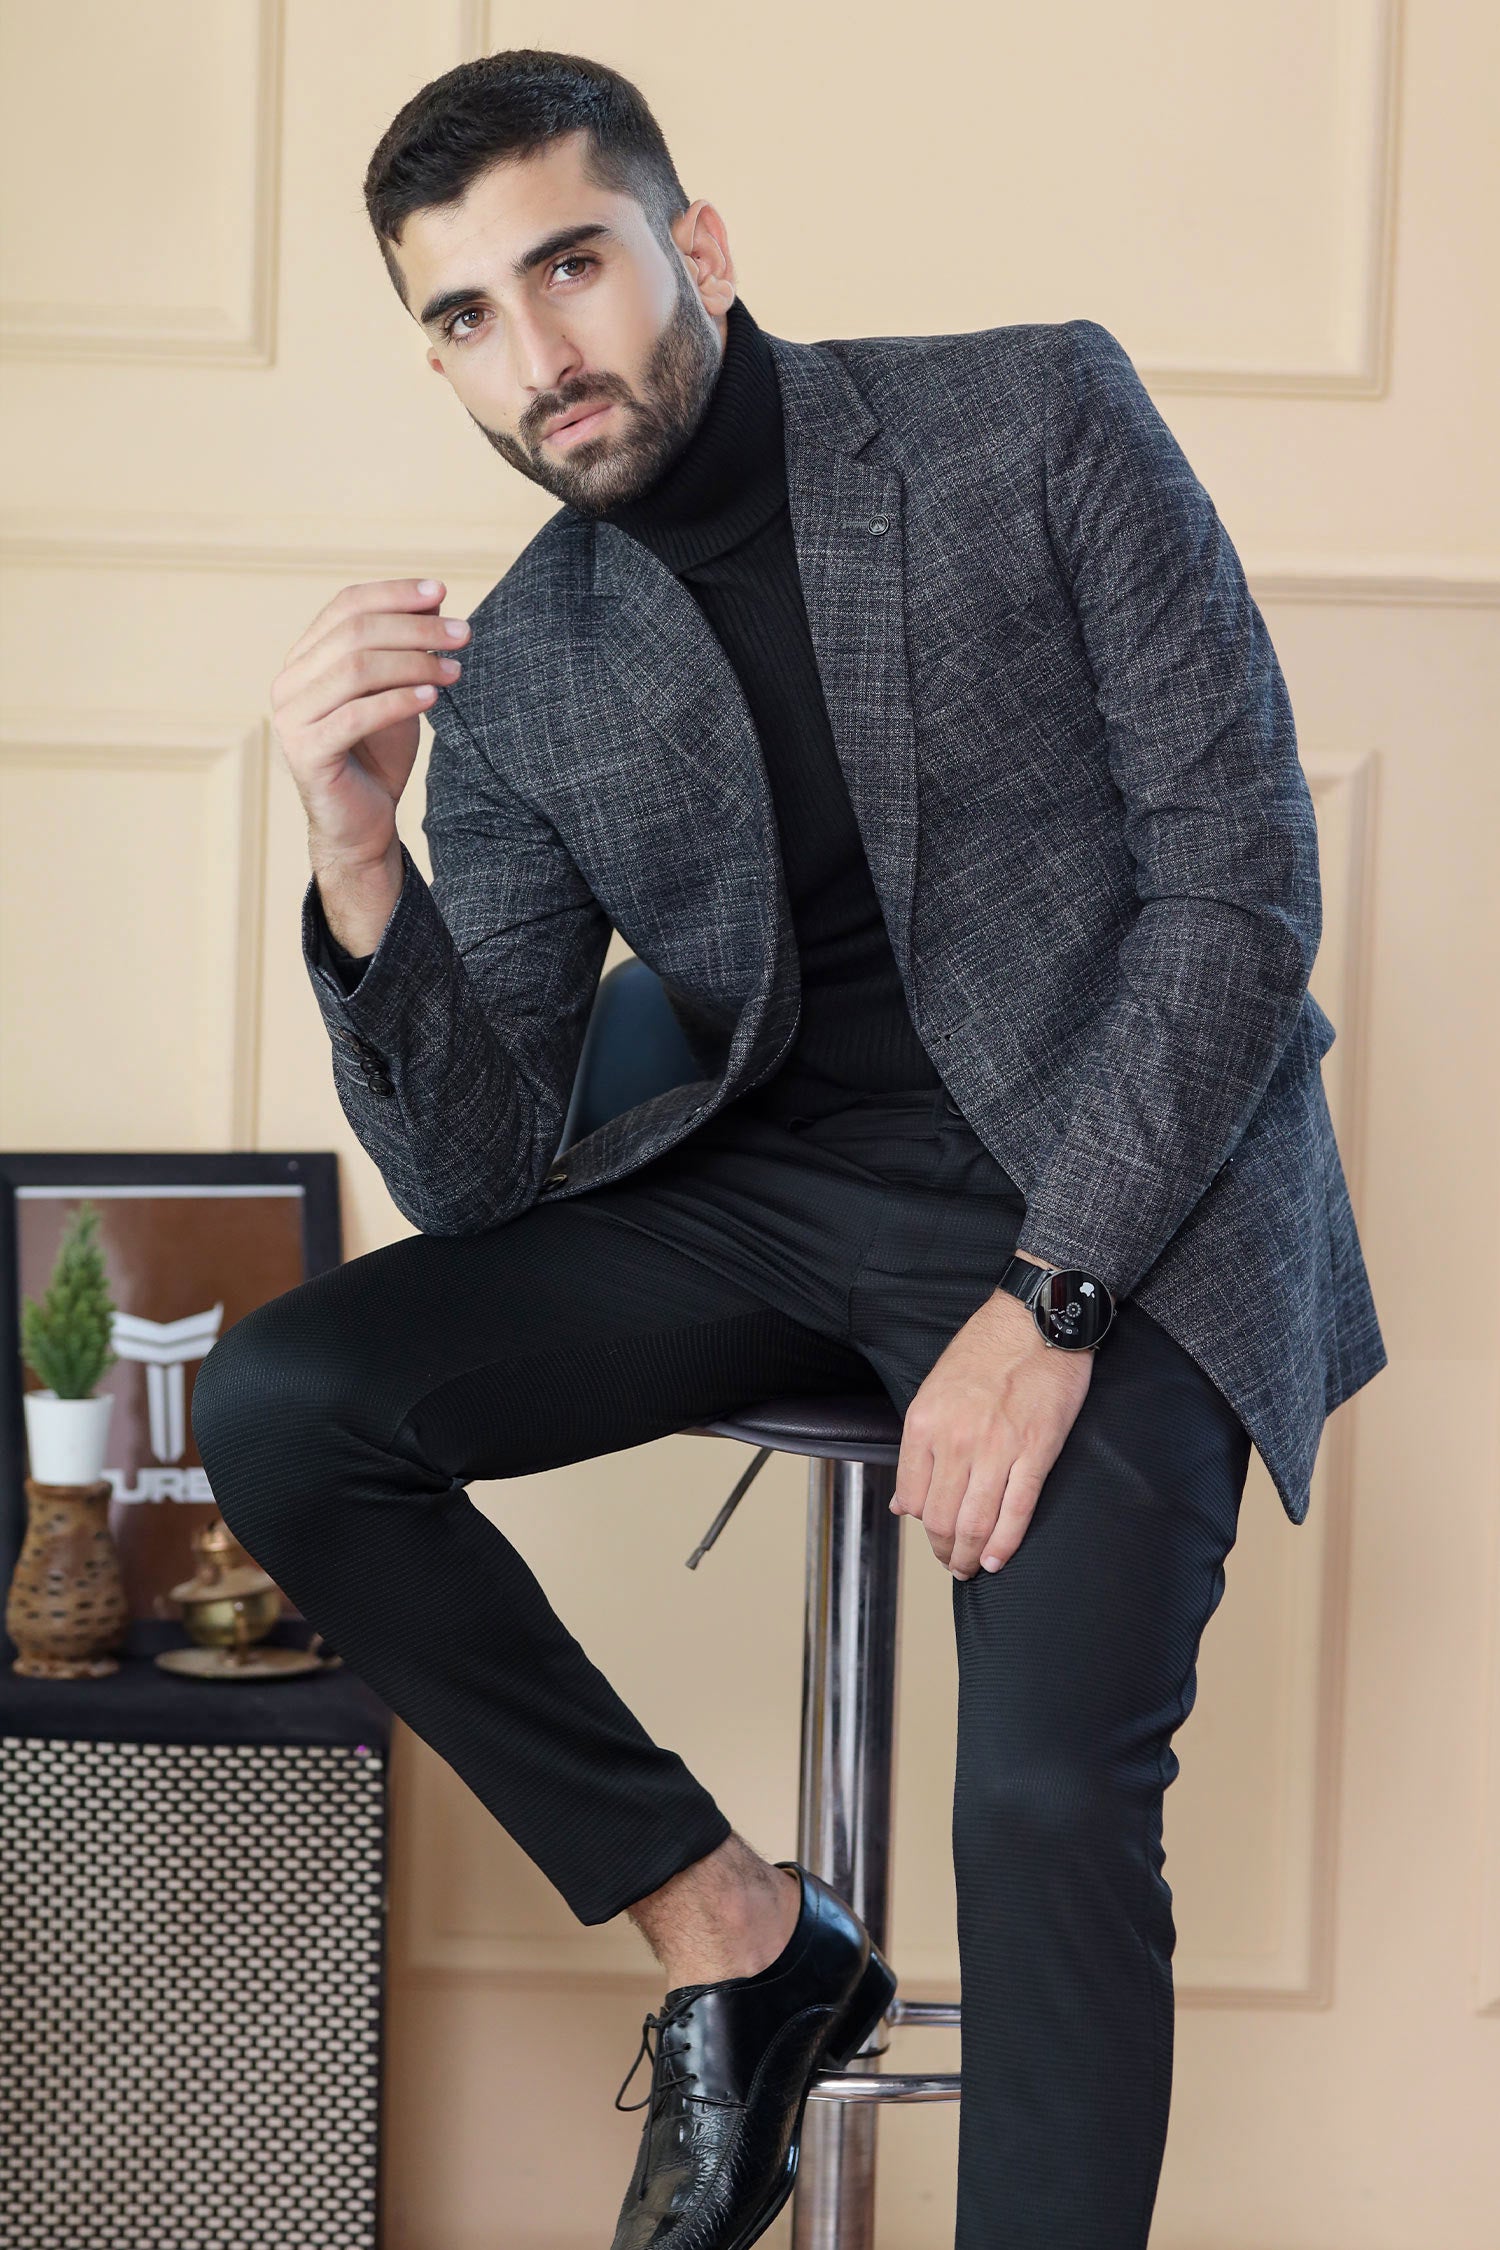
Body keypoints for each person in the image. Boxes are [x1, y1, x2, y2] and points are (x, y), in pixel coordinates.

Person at [190, 47, 1387, 2250]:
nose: (537, 355)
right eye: (464, 315)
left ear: (699, 248)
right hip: (776, 1193)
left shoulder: (1032, 415)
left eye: (572, 266)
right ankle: (738, 1937)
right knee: (282, 1398)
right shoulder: (523, 668)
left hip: (1127, 1181)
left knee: (1043, 1802)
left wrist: (1050, 1301)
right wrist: (359, 858)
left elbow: (1240, 891)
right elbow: (479, 1175)